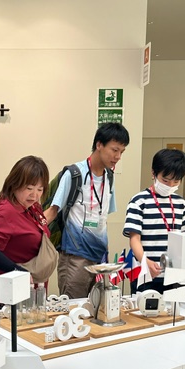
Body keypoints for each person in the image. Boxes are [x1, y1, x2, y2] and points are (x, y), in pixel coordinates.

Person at [44, 122, 130, 299]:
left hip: (101, 257)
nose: (118, 156)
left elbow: (102, 217)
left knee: (98, 308)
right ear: (99, 145)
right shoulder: (74, 174)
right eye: (115, 150)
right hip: (75, 257)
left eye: (122, 152)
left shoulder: (109, 177)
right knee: (74, 308)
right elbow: (52, 212)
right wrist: (26, 231)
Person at [0, 155, 50, 311]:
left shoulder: (32, 207)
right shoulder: (4, 211)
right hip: (5, 292)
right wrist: (17, 270)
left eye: (40, 189)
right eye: (29, 188)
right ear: (15, 183)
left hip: (30, 289)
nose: (35, 195)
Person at [123, 148, 185, 294]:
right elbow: (134, 240)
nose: (170, 186)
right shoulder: (139, 201)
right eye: (165, 180)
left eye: (176, 181)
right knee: (144, 307)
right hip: (145, 273)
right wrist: (145, 261)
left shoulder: (180, 203)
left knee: (174, 308)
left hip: (174, 275)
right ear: (153, 173)